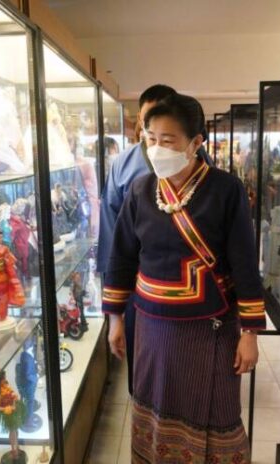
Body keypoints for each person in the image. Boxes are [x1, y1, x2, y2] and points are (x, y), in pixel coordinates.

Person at [103, 94, 264, 462]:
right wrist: (115, 319)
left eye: (168, 140)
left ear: (195, 143)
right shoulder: (140, 190)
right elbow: (122, 256)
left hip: (210, 329)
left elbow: (244, 263)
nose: (157, 149)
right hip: (151, 328)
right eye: (151, 139)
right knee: (154, 403)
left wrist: (250, 333)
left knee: (215, 409)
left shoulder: (226, 190)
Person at [97, 84, 212, 394]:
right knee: (143, 364)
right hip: (140, 281)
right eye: (149, 124)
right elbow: (111, 229)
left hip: (191, 286)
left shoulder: (200, 162)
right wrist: (113, 301)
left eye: (166, 133)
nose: (156, 138)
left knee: (187, 373)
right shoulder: (123, 164)